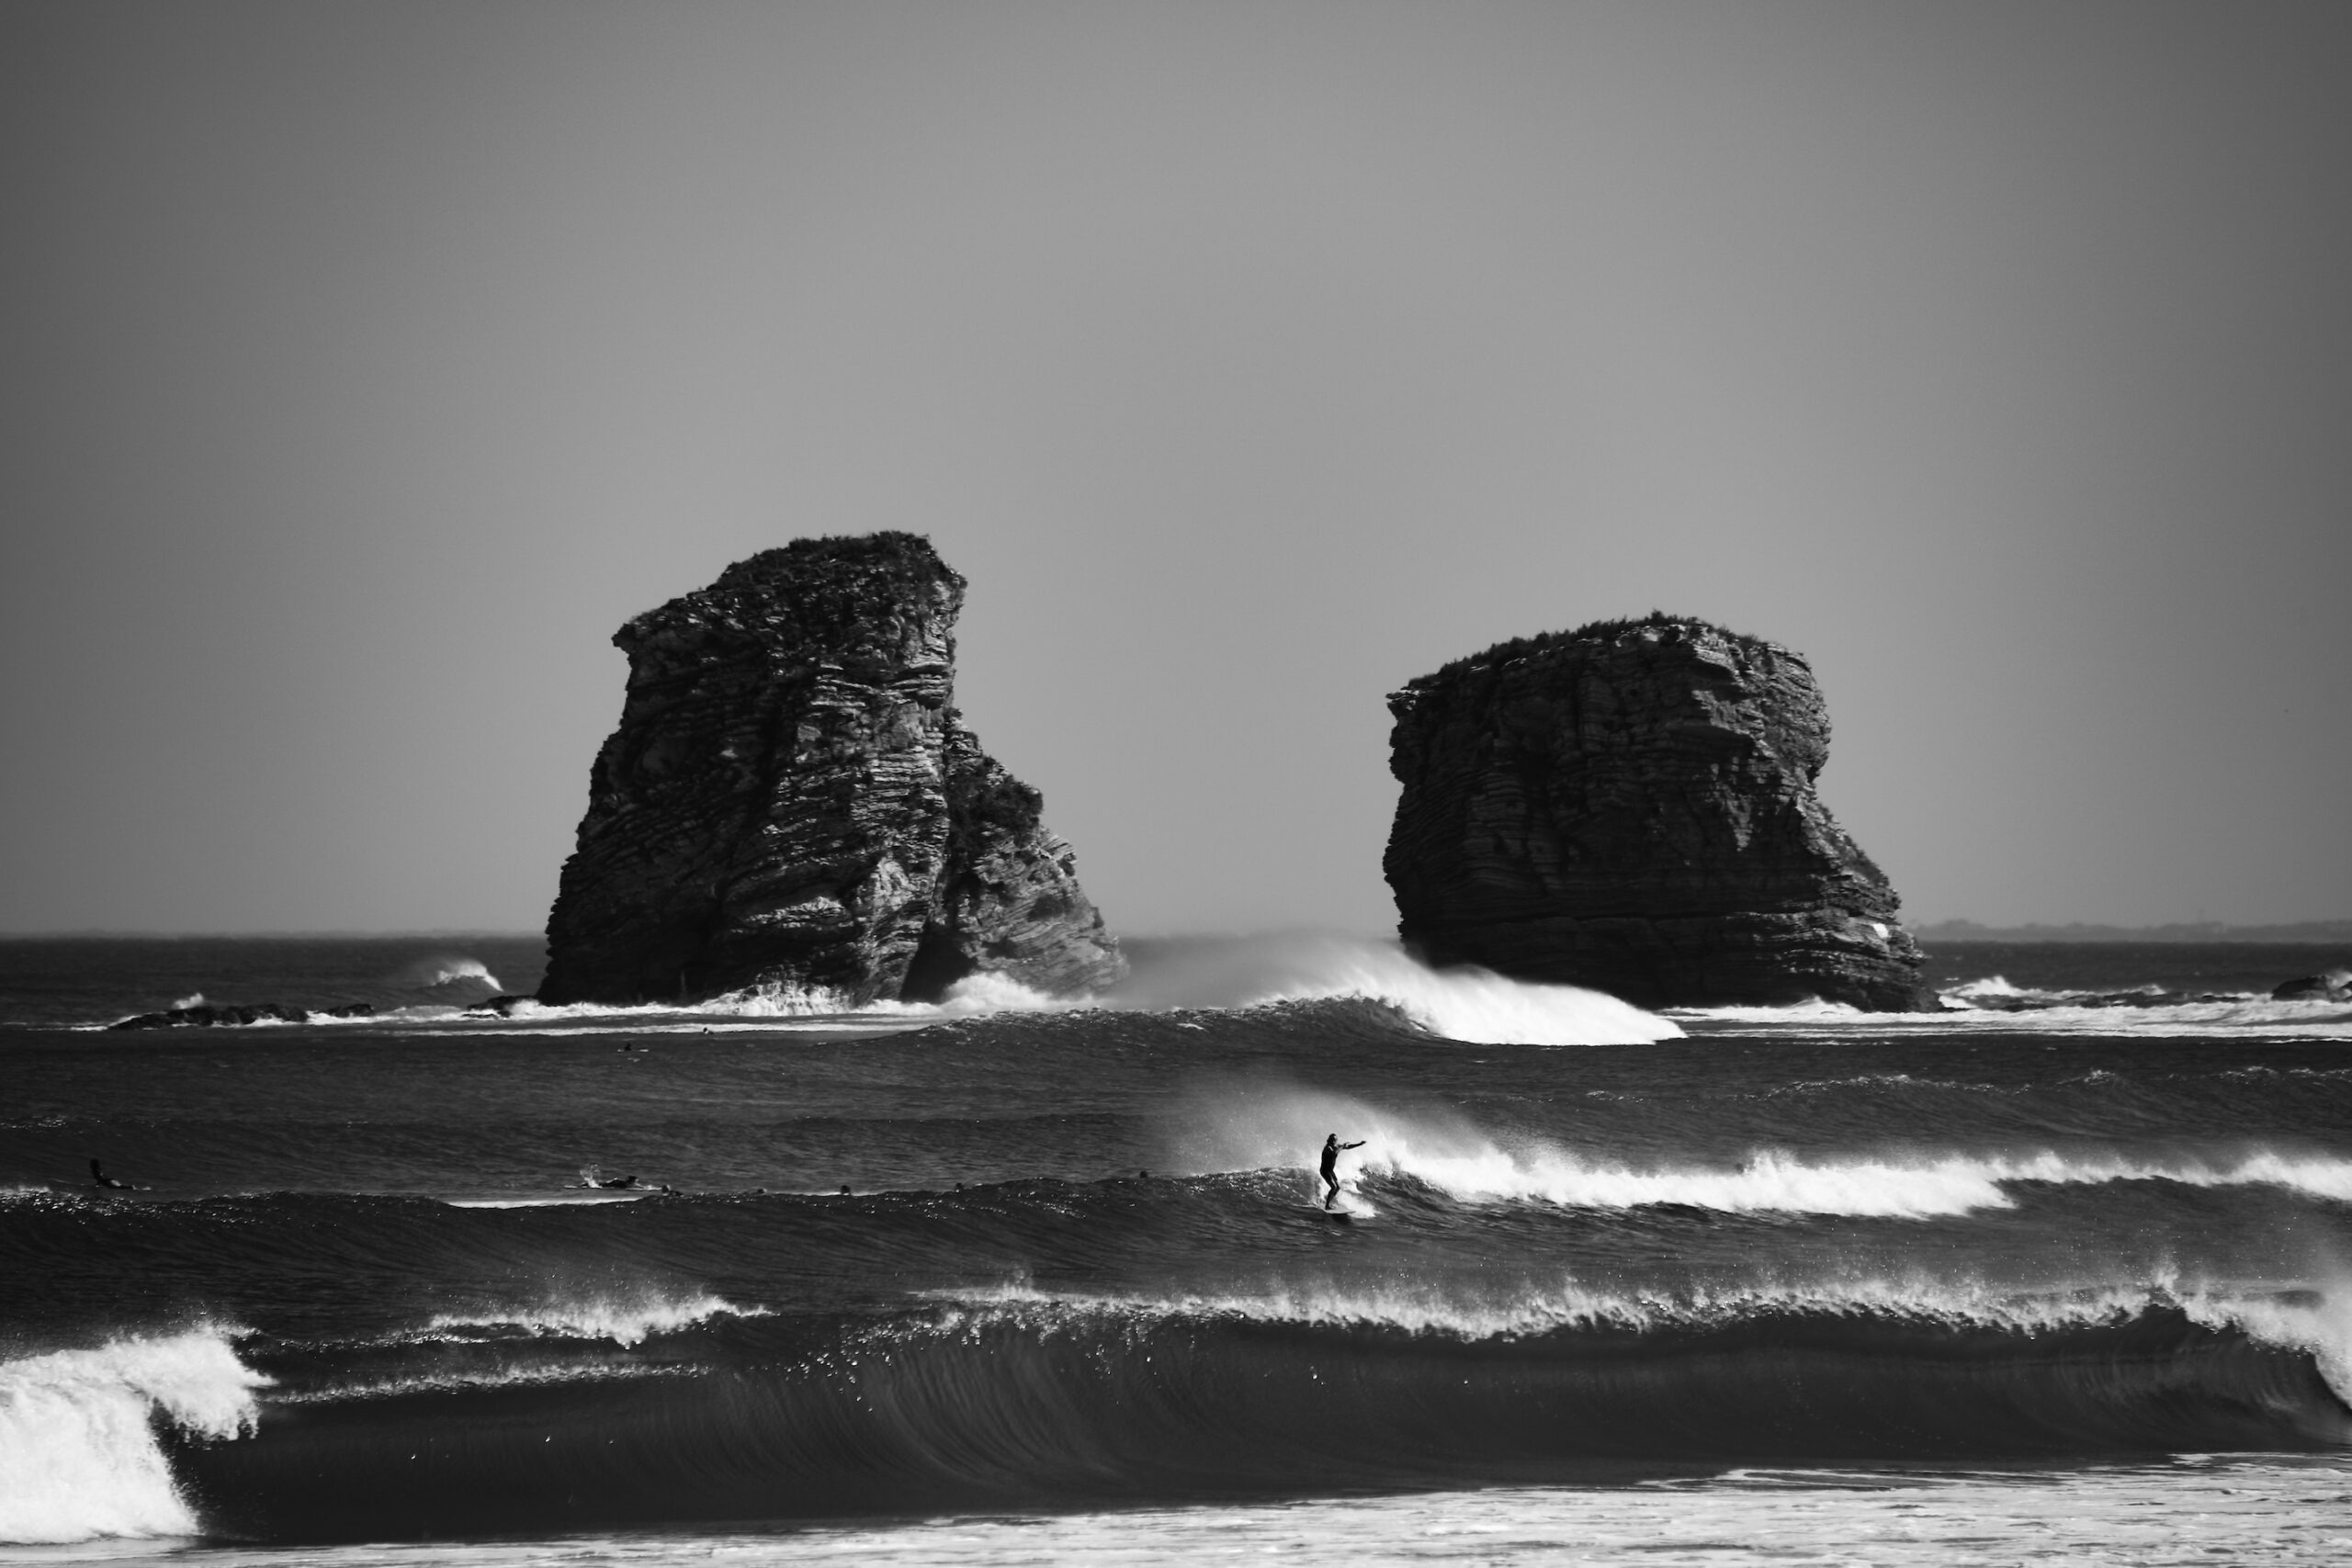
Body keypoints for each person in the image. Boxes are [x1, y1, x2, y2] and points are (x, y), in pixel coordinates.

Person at [1319, 1134, 1364, 1210]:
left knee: (1337, 1188)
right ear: (1329, 1140)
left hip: (1330, 1171)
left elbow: (1348, 1147)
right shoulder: (1327, 1148)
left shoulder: (1336, 1146)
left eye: (1335, 1140)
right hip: (1325, 1171)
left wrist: (1359, 1144)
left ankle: (1328, 1202)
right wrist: (1342, 1146)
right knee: (1333, 1187)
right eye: (1333, 1140)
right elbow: (1334, 1153)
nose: (1334, 1141)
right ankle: (1327, 1206)